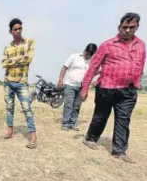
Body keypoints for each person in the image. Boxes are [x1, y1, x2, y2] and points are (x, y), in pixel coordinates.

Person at [80, 12, 146, 163]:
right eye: (125, 27)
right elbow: (93, 67)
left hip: (128, 90)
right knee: (101, 116)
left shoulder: (141, 45)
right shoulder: (107, 45)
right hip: (107, 88)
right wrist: (84, 88)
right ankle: (91, 138)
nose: (127, 30)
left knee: (124, 119)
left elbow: (141, 64)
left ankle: (119, 150)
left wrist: (136, 82)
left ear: (137, 27)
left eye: (131, 27)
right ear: (119, 27)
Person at [1, 18, 37, 149]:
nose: (18, 31)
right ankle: (10, 130)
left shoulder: (29, 42)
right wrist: (19, 59)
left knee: (27, 108)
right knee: (9, 107)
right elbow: (3, 64)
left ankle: (33, 135)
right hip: (8, 82)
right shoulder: (7, 48)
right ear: (11, 31)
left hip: (22, 82)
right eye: (15, 29)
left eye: (20, 28)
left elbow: (29, 59)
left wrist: (11, 60)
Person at [57, 43, 98, 131]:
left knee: (77, 106)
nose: (87, 56)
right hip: (70, 85)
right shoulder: (74, 56)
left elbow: (94, 73)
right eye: (87, 53)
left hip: (82, 87)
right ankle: (65, 123)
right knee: (68, 105)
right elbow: (64, 68)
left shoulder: (93, 62)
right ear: (85, 50)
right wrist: (60, 80)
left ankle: (73, 123)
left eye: (90, 55)